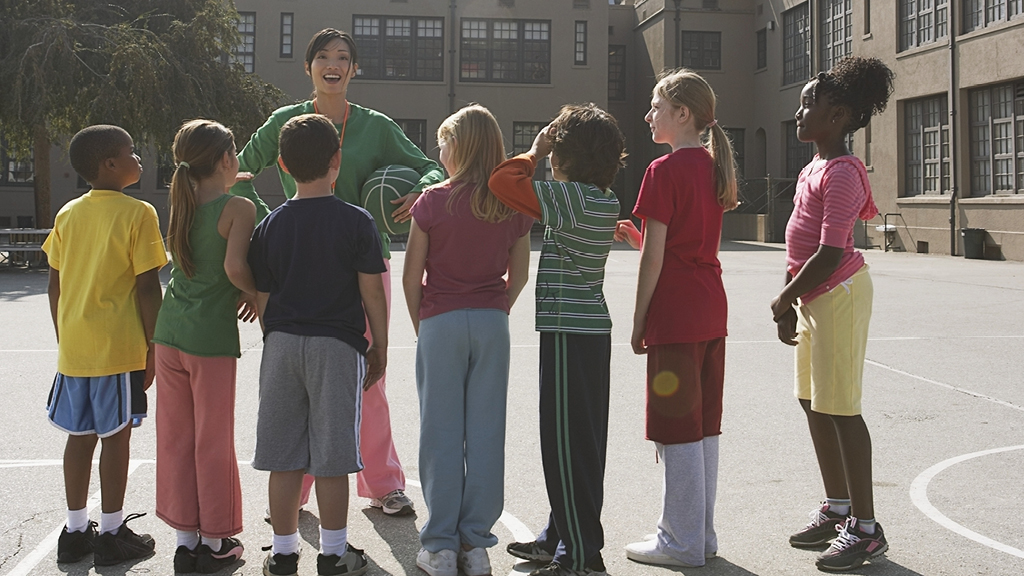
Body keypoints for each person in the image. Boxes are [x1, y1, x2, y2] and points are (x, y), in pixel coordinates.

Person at [231, 27, 441, 517]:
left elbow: (429, 166)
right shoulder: (285, 121)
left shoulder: (375, 125)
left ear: (353, 69)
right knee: (303, 379)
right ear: (308, 67)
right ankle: (296, 488)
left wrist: (418, 192)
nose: (333, 63)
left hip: (364, 263)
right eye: (323, 55)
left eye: (343, 57)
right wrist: (265, 226)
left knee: (369, 376)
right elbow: (235, 171)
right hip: (299, 263)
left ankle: (384, 483)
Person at [248, 113, 388, 576]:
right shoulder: (357, 221)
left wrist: (278, 340)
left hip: (283, 343)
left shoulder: (270, 225)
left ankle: (283, 552)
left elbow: (264, 298)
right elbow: (371, 290)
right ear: (337, 160)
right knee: (332, 457)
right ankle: (333, 553)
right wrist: (379, 344)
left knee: (283, 455)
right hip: (336, 345)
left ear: (282, 166)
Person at [489, 103, 626, 576]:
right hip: (584, 333)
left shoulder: (574, 200)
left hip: (570, 333)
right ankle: (560, 534)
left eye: (555, 149)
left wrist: (532, 149)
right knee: (580, 442)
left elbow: (502, 183)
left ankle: (582, 555)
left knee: (564, 445)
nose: (549, 157)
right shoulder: (600, 199)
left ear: (567, 156)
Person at [770, 57, 894, 572]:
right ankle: (838, 509)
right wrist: (789, 300)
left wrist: (784, 299)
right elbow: (797, 247)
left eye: (808, 104)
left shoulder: (844, 173)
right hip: (812, 296)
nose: (799, 112)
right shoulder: (811, 168)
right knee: (813, 403)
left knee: (841, 407)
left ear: (838, 114)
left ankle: (866, 529)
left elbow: (828, 252)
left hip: (837, 293)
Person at [614, 69, 737, 568]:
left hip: (677, 312)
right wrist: (643, 240)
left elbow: (658, 259)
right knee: (703, 425)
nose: (648, 116)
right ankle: (698, 534)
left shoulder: (661, 171)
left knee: (675, 428)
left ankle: (681, 540)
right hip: (710, 306)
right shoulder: (713, 168)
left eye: (656, 107)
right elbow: (689, 244)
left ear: (682, 114)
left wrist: (639, 319)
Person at [403, 105, 533, 576]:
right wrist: (495, 309)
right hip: (491, 321)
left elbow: (411, 274)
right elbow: (518, 274)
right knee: (485, 434)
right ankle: (475, 545)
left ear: (458, 147)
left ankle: (438, 546)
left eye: (443, 142)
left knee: (438, 434)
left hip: (440, 320)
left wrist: (427, 327)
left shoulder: (432, 201)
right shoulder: (511, 204)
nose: (438, 150)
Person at [41, 125, 166, 566]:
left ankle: (75, 530)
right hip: (119, 345)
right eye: (132, 152)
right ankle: (111, 532)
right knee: (115, 438)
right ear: (110, 164)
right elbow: (148, 288)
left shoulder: (68, 213)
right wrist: (156, 347)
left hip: (75, 346)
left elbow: (53, 284)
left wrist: (65, 335)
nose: (139, 159)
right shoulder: (139, 213)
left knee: (80, 436)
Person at [152, 120, 258, 574]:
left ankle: (184, 539)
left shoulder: (183, 197)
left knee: (175, 440)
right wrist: (255, 293)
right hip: (209, 339)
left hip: (169, 331)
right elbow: (235, 268)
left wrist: (228, 180)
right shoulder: (240, 207)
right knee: (212, 442)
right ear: (226, 160)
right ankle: (217, 542)